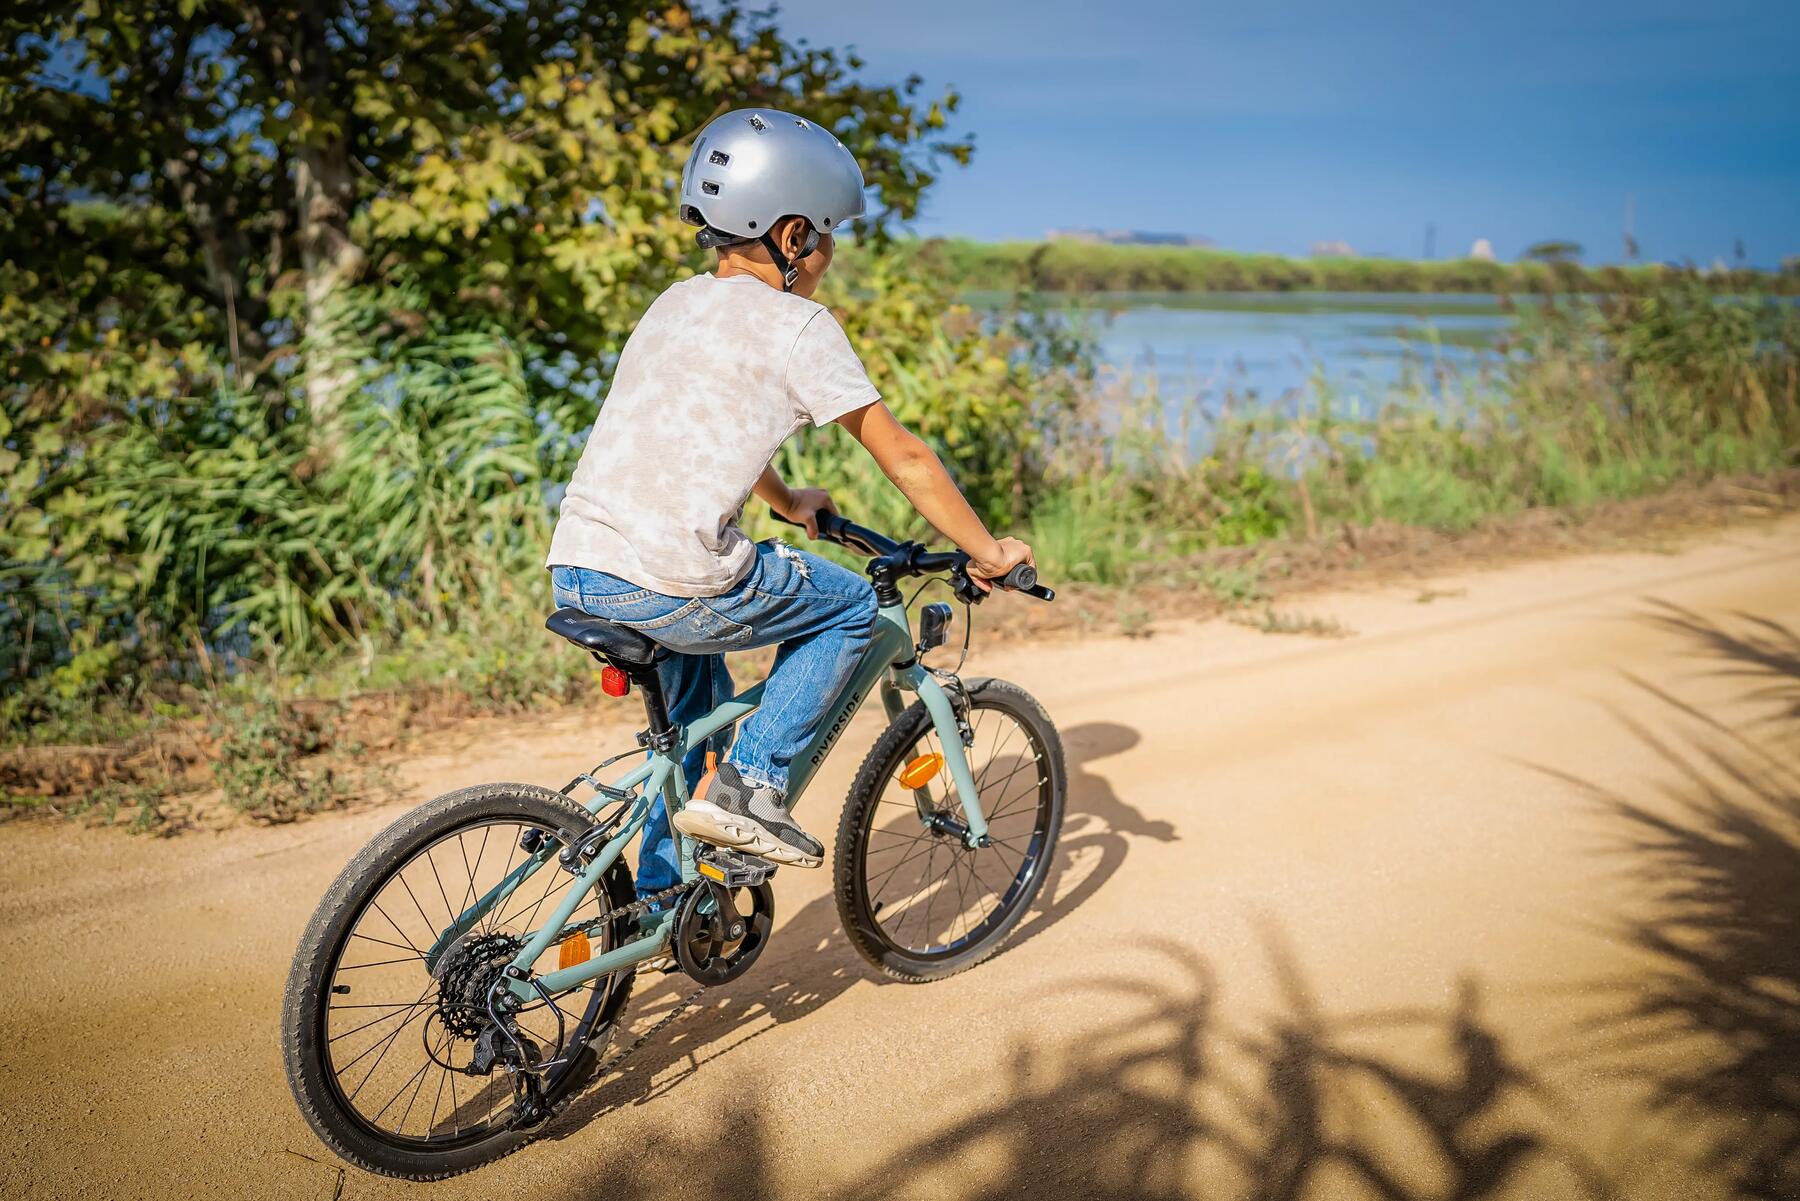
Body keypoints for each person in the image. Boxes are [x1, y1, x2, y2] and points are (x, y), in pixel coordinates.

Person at [547, 107, 1033, 891]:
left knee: (697, 718)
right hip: (675, 579)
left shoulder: (671, 304)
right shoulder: (799, 324)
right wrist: (988, 550)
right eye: (831, 235)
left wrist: (783, 496)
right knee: (846, 608)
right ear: (793, 234)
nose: (831, 254)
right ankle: (752, 786)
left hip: (582, 563)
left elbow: (682, 432)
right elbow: (903, 455)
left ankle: (665, 896)